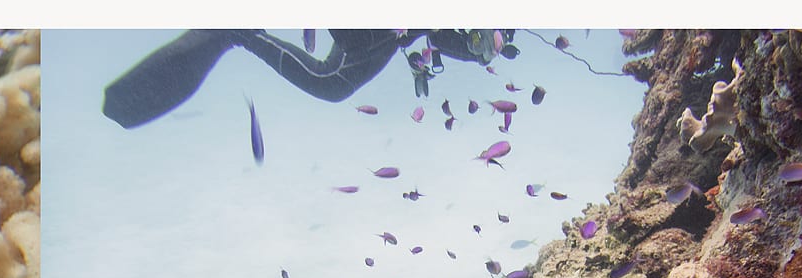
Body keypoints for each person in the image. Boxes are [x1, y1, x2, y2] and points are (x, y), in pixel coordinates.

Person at [103, 29, 519, 128]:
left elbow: (442, 35)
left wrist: (482, 46)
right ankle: (236, 30)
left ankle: (235, 31)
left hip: (388, 36)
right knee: (331, 82)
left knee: (332, 83)